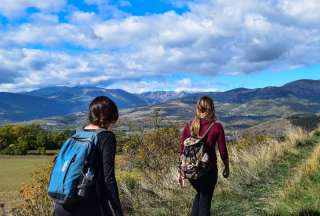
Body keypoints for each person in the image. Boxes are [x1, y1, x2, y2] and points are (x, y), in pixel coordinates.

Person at [54, 96, 123, 216]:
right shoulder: (106, 137)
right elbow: (109, 179)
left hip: (62, 204)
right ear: (110, 116)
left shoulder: (76, 134)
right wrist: (117, 210)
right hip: (89, 204)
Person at [179, 96, 229, 216]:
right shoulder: (216, 126)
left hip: (191, 171)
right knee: (205, 203)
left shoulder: (189, 125)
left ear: (198, 108)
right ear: (211, 108)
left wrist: (180, 171)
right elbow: (222, 150)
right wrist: (227, 167)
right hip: (208, 171)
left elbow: (181, 150)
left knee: (200, 195)